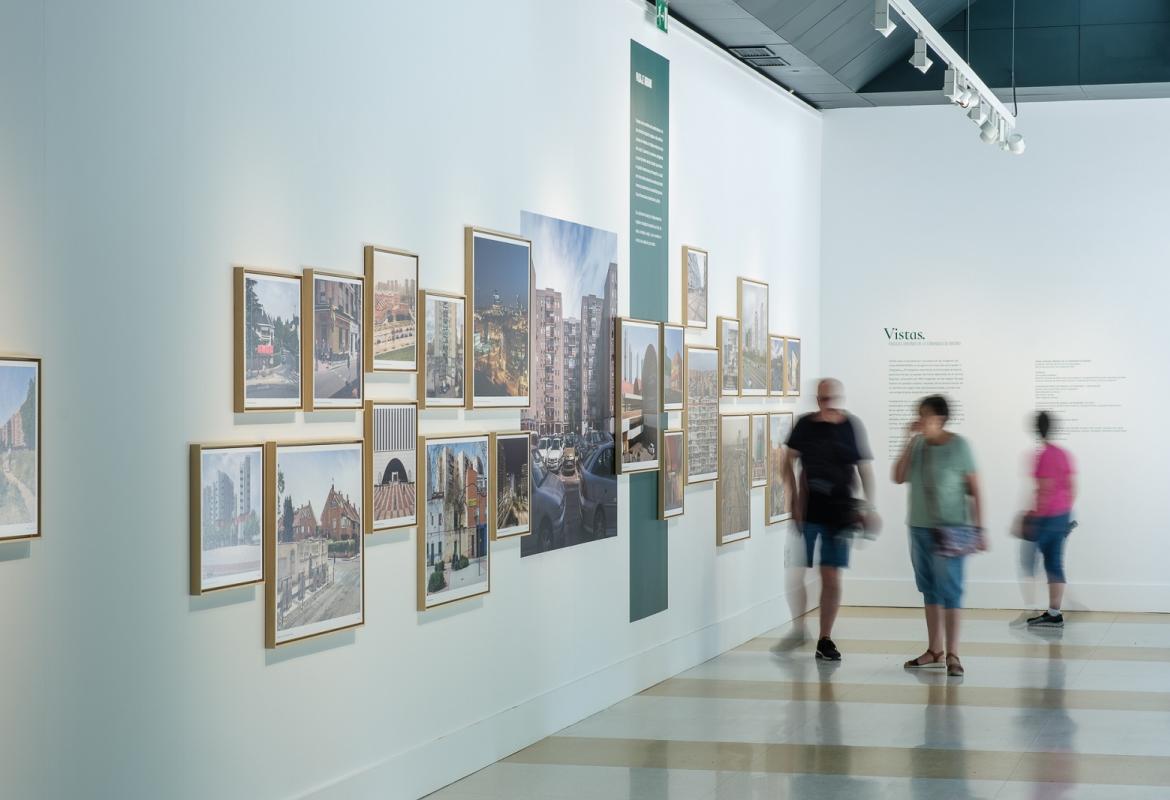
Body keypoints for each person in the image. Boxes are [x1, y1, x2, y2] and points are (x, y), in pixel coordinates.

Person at [782, 378, 877, 662]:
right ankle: (799, 628)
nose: (828, 405)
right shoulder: (804, 425)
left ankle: (825, 637)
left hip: (840, 511)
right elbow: (786, 460)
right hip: (809, 510)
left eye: (832, 399)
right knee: (798, 571)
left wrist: (868, 507)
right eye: (823, 399)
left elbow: (864, 469)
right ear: (817, 399)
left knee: (831, 575)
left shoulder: (851, 426)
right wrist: (794, 496)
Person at [893, 395, 985, 678]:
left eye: (924, 415)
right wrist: (908, 440)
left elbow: (975, 489)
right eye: (918, 415)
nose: (919, 420)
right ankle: (935, 650)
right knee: (929, 589)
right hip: (919, 527)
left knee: (951, 591)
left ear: (939, 419)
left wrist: (979, 529)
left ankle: (953, 653)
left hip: (952, 529)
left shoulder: (960, 446)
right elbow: (897, 476)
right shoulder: (918, 445)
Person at [1025, 411, 1076, 628]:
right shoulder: (1063, 454)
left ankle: (1048, 611)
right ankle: (1054, 612)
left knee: (1031, 563)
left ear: (1036, 429)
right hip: (1062, 514)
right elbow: (1072, 487)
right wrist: (1065, 513)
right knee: (1054, 563)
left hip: (1048, 517)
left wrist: (1034, 517)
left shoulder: (1043, 455)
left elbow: (1044, 489)